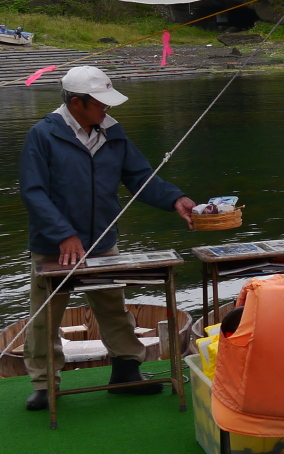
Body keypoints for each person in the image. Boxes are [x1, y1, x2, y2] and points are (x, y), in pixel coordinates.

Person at [18, 65, 196, 410]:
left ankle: (126, 372)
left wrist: (175, 199)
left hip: (102, 241)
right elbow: (33, 192)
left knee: (113, 307)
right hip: (53, 246)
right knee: (45, 317)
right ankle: (44, 384)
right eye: (100, 103)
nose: (107, 109)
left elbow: (140, 177)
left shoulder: (113, 132)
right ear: (77, 103)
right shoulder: (43, 135)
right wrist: (64, 235)